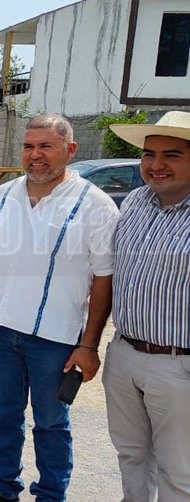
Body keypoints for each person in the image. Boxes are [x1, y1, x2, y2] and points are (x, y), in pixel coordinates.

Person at [0, 114, 119, 502]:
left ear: (70, 150)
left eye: (46, 146)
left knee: (51, 422)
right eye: (28, 146)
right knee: (4, 414)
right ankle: (2, 486)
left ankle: (51, 494)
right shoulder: (3, 197)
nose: (35, 154)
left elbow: (104, 279)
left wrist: (89, 345)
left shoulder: (96, 206)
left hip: (55, 338)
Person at [102, 111, 190, 501]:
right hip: (124, 353)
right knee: (132, 456)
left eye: (172, 155)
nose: (156, 165)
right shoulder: (136, 202)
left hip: (179, 364)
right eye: (149, 154)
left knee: (179, 471)